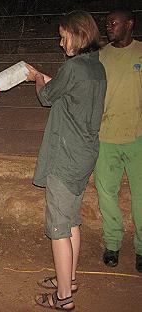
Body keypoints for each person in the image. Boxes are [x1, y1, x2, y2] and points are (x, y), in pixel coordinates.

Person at [25, 10, 106, 310]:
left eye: (63, 37)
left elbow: (47, 96)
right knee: (71, 219)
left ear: (78, 35)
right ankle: (67, 280)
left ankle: (63, 298)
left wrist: (35, 79)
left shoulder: (74, 68)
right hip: (85, 153)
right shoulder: (95, 67)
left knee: (58, 228)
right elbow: (65, 90)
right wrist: (45, 79)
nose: (61, 43)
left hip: (66, 156)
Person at [94, 8, 142, 273]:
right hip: (106, 137)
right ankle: (112, 244)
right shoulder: (101, 56)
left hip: (138, 138)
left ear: (130, 24)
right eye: (106, 23)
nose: (109, 26)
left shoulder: (141, 53)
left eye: (114, 22)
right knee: (107, 196)